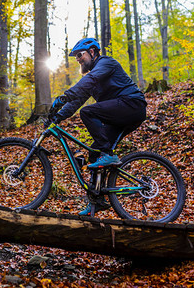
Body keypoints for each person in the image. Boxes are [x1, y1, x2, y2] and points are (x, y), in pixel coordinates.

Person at [47, 37, 147, 215]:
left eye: (80, 55)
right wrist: (57, 117)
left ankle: (108, 154)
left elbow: (90, 80)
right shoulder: (92, 78)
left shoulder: (106, 63)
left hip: (132, 105)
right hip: (121, 115)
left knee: (88, 112)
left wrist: (64, 96)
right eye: (76, 57)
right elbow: (77, 101)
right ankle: (97, 200)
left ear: (92, 52)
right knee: (94, 153)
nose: (78, 59)